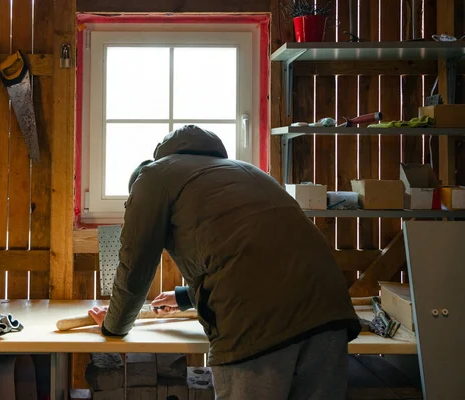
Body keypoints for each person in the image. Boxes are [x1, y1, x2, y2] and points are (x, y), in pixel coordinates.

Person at [87, 125, 361, 399]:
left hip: (256, 326)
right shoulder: (243, 170)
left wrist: (113, 326)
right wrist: (184, 297)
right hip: (329, 312)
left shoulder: (153, 175)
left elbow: (136, 262)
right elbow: (258, 259)